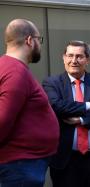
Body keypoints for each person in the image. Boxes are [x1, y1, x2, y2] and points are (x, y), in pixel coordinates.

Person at [42, 40, 90, 187]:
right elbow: (58, 106)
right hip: (65, 159)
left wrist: (81, 120)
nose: (74, 60)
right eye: (70, 55)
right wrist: (88, 106)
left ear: (87, 60)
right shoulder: (52, 83)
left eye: (79, 56)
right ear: (64, 58)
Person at [0, 19, 59, 187]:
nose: (39, 45)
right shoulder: (15, 72)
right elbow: (3, 120)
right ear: (29, 40)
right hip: (20, 165)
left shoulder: (8, 67)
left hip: (22, 164)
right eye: (39, 40)